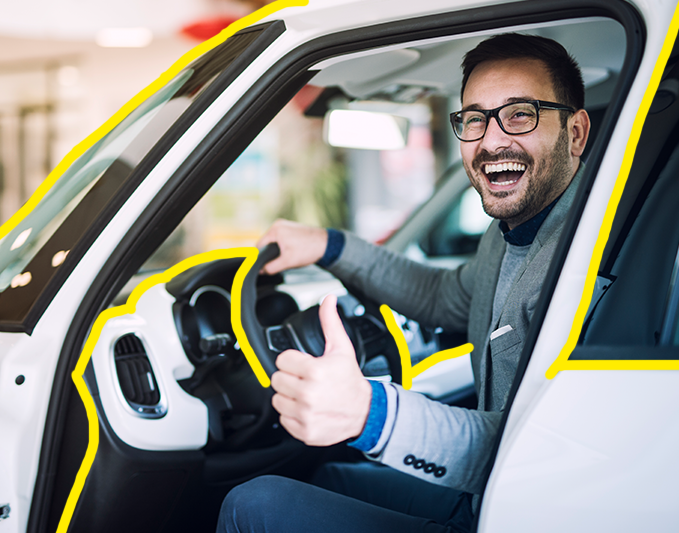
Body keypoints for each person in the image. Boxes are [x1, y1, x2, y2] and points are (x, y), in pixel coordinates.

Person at [217, 33, 591, 532]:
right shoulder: (511, 235)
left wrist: (370, 414)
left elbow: (531, 451)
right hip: (485, 496)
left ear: (576, 133)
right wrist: (331, 246)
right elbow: (441, 297)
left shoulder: (583, 254)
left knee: (253, 504)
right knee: (329, 476)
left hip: (526, 510)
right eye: (475, 119)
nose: (492, 140)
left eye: (520, 114)